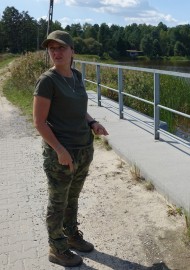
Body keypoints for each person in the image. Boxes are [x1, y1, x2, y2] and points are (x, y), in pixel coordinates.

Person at [33, 30, 109, 267]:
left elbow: (78, 111)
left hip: (83, 148)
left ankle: (72, 236)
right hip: (62, 153)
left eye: (61, 48)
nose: (56, 52)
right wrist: (59, 149)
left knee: (72, 198)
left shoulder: (76, 76)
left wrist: (92, 122)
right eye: (52, 48)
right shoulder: (47, 81)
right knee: (58, 202)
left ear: (72, 51)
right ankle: (57, 248)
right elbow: (39, 122)